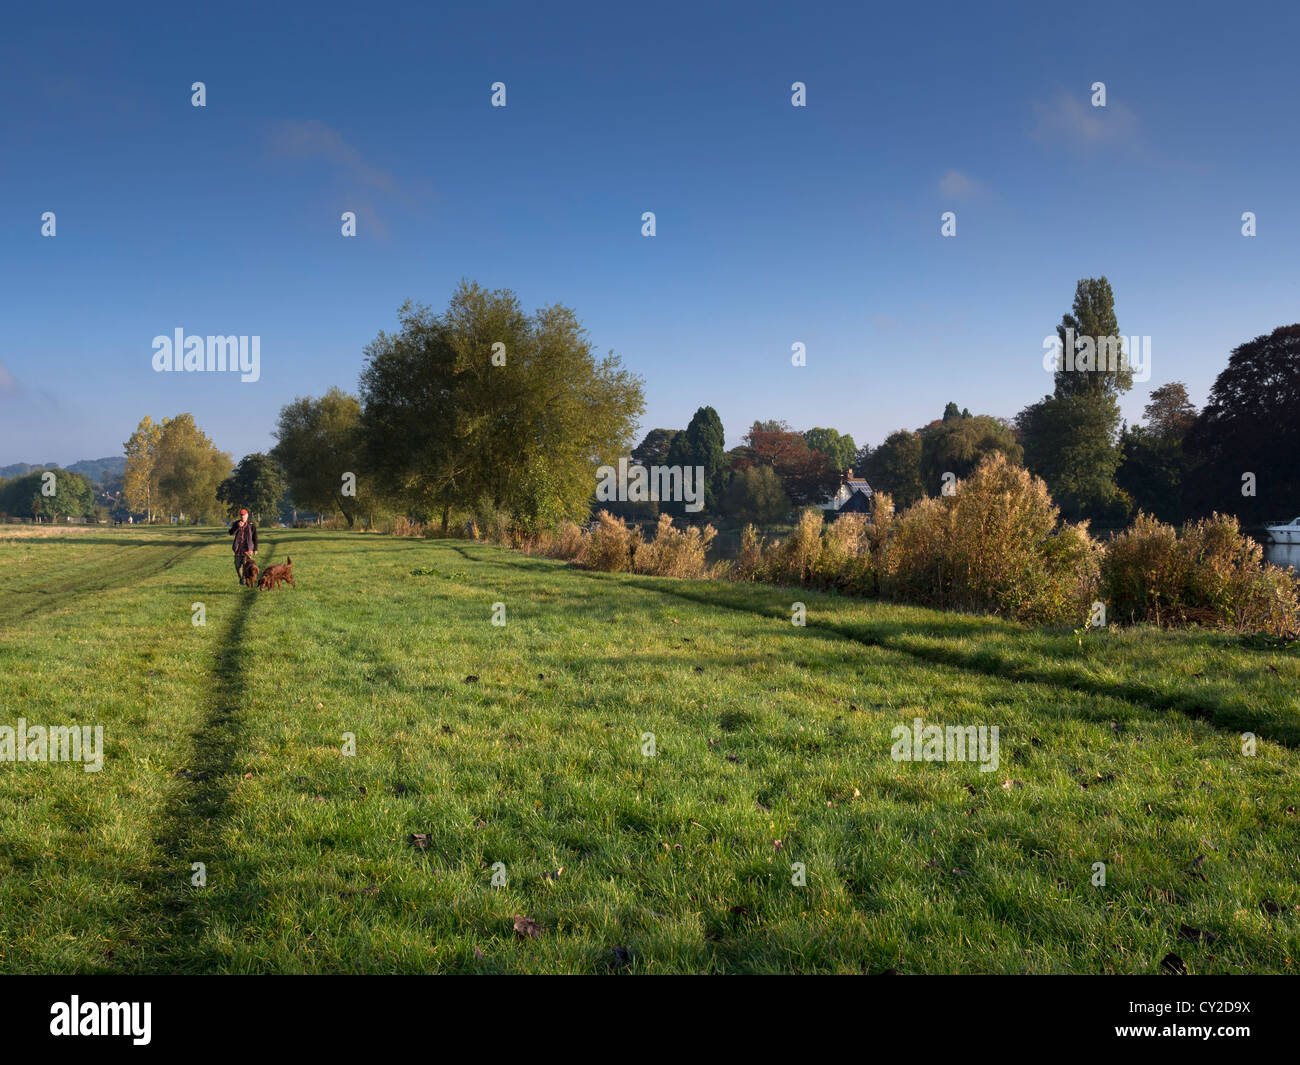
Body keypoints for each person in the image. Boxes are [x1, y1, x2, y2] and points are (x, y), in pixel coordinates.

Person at [228, 508, 258, 584]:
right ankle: (242, 579)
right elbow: (230, 533)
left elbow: (255, 537)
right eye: (241, 516)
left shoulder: (251, 525)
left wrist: (255, 549)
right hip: (238, 549)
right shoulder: (236, 523)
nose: (243, 517)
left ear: (247, 516)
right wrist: (237, 527)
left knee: (246, 566)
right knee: (237, 567)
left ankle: (246, 580)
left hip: (248, 549)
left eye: (244, 516)